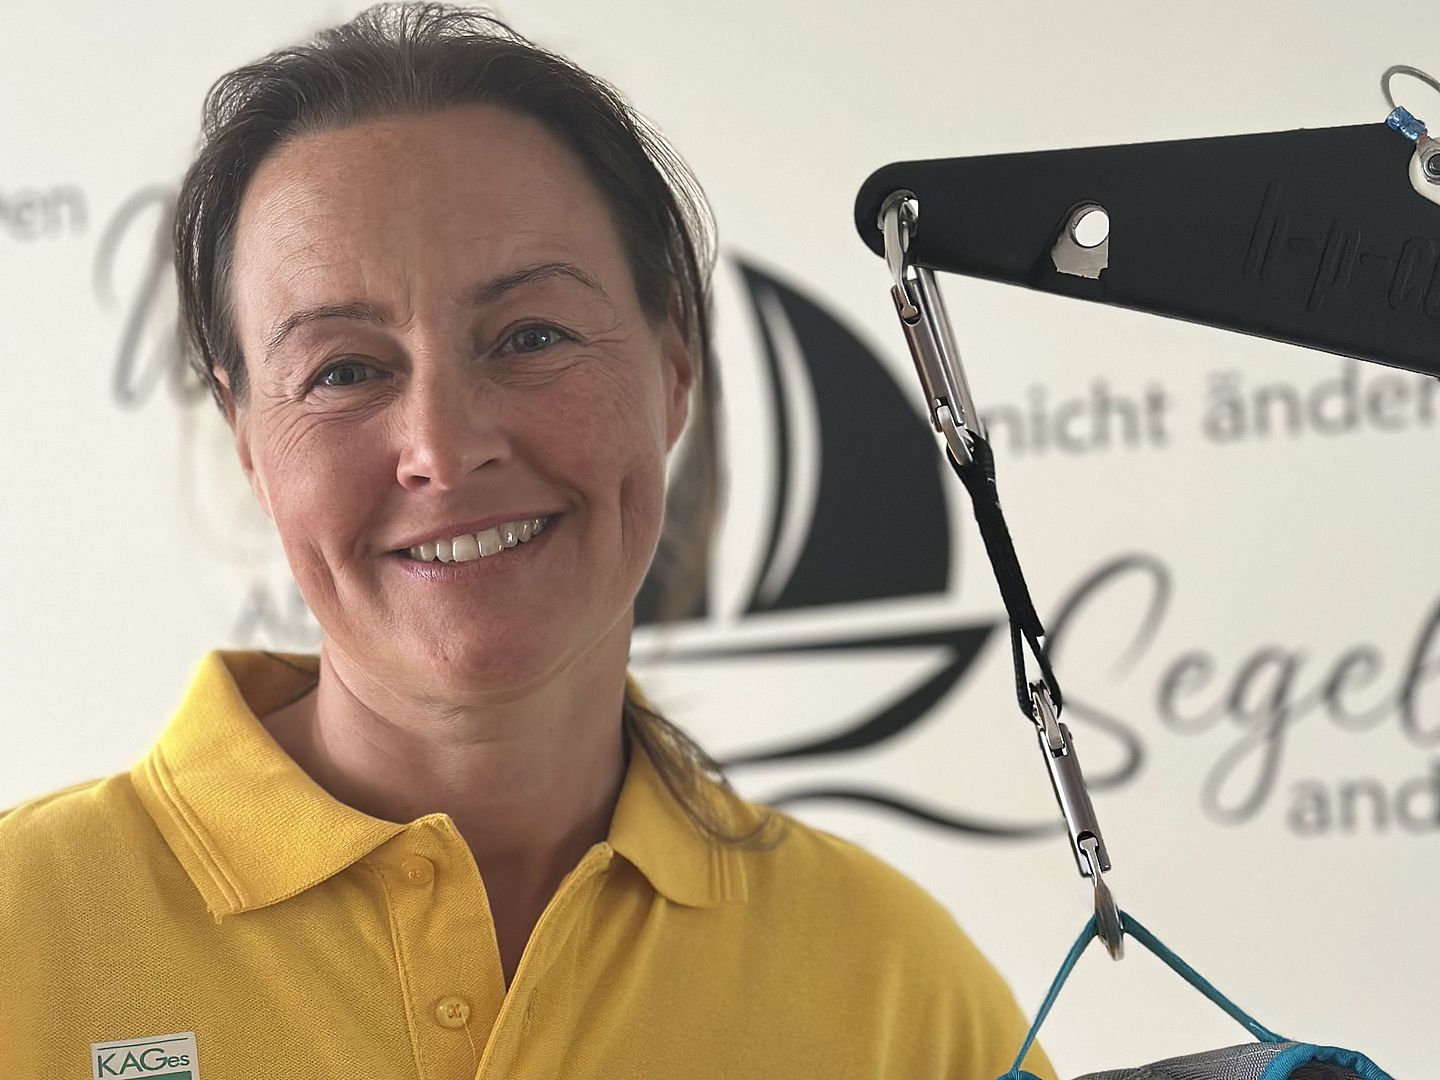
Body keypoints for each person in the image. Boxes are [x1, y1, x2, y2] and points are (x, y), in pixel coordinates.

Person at [0, 5, 1057, 1077]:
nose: (443, 449)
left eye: (531, 337)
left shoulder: (894, 989)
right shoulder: (22, 935)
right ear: (247, 439)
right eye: (344, 370)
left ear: (674, 365)